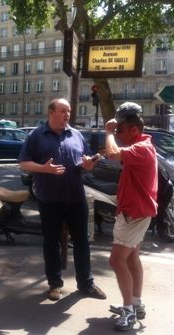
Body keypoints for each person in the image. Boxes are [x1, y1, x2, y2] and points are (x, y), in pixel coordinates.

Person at [18, 98, 106, 301]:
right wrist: (44, 169)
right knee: (51, 242)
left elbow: (87, 161)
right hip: (50, 199)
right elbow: (24, 162)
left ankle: (86, 284)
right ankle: (54, 284)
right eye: (63, 111)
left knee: (82, 242)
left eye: (69, 111)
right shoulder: (36, 135)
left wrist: (89, 165)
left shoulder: (75, 134)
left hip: (76, 198)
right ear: (51, 112)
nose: (67, 114)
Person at [105, 102, 157, 332]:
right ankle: (136, 302)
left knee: (116, 260)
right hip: (137, 211)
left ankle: (128, 311)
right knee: (132, 258)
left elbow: (113, 153)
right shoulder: (141, 146)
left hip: (134, 214)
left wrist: (107, 133)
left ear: (134, 130)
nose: (117, 134)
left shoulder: (142, 148)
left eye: (120, 131)